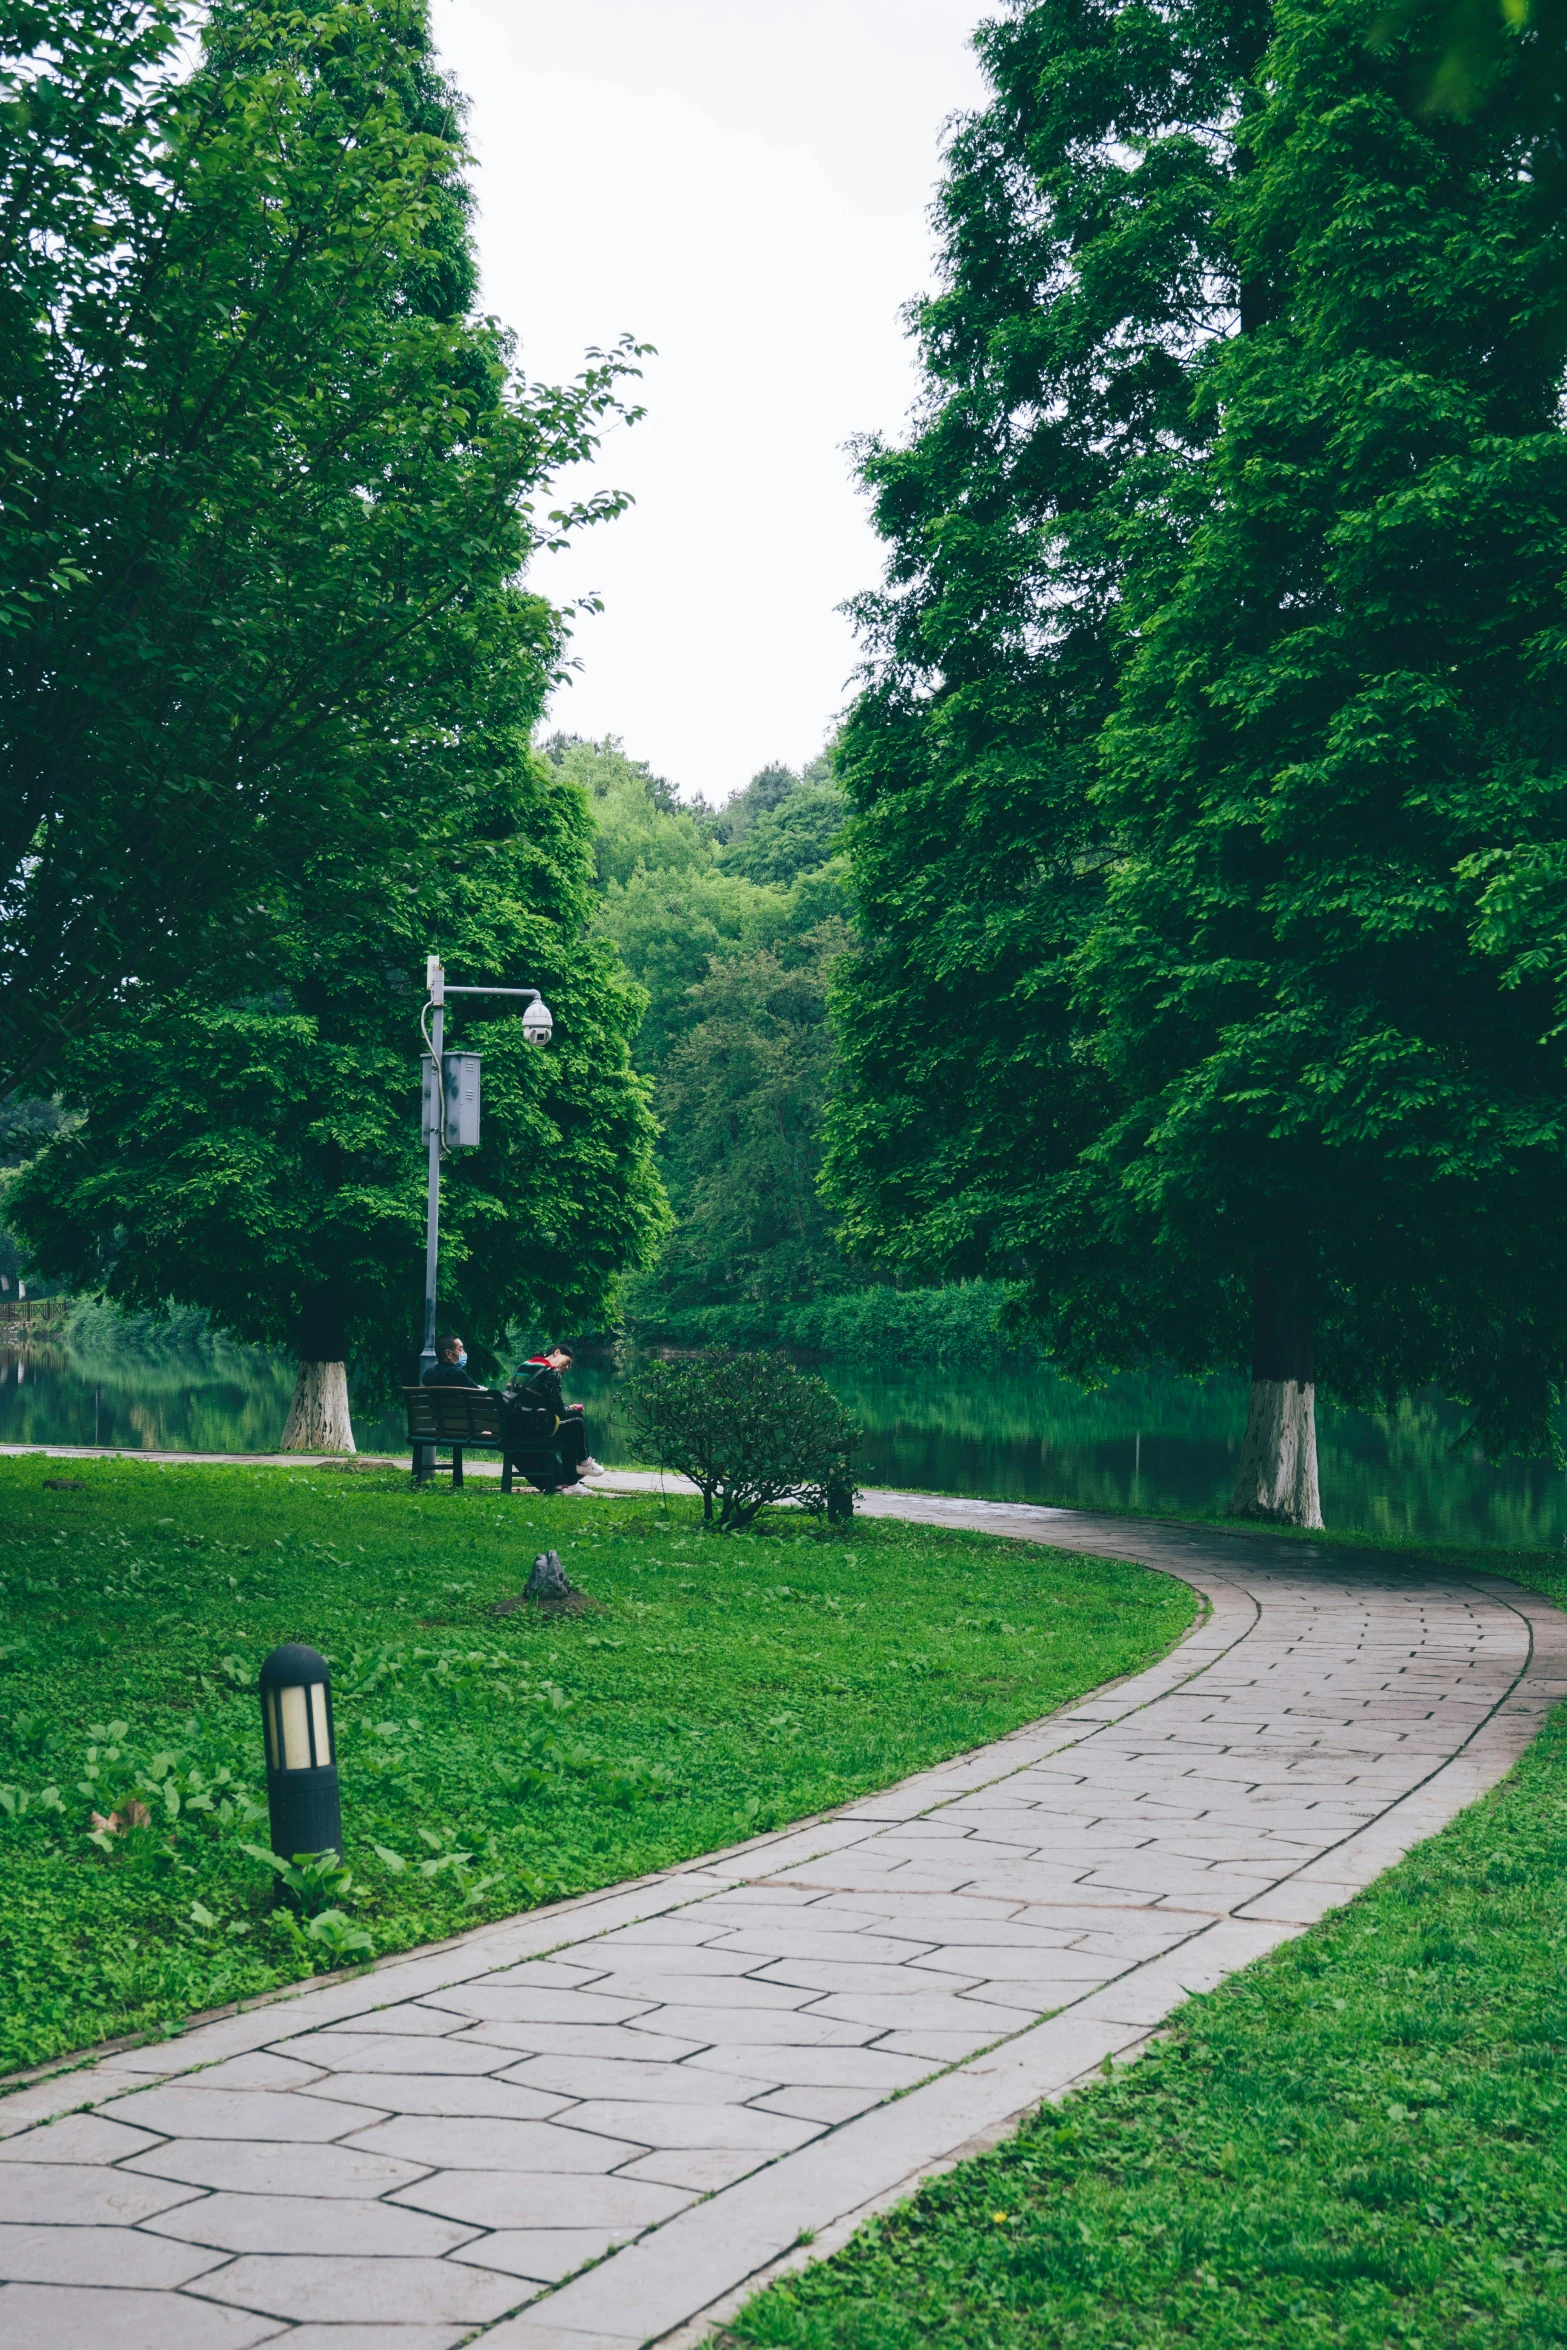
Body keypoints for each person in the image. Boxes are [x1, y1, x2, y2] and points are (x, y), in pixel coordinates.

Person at [507, 1343, 604, 1494]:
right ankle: (580, 1468)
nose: (568, 1368)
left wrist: (565, 1409)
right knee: (576, 1420)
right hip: (532, 1427)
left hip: (513, 1425)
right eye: (567, 1362)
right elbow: (558, 1409)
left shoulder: (525, 1365)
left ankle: (570, 1480)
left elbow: (542, 1402)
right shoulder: (552, 1372)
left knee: (571, 1423)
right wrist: (568, 1409)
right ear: (557, 1352)